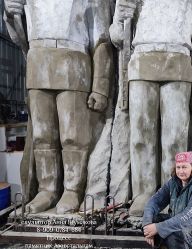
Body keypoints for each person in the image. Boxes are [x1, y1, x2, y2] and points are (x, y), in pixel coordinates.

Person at [3, 0, 113, 214]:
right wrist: (10, 13)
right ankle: (47, 189)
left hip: (74, 64)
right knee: (43, 136)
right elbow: (20, 36)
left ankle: (72, 189)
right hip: (38, 62)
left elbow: (102, 40)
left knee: (73, 137)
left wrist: (101, 86)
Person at [109, 0, 192, 216]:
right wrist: (121, 17)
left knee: (175, 139)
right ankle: (143, 194)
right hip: (141, 60)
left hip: (178, 61)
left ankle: (171, 193)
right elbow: (118, 37)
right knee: (140, 137)